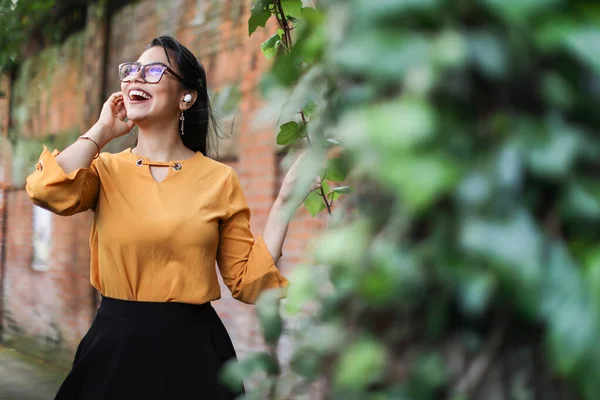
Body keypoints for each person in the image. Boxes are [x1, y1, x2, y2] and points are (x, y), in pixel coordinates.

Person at [25, 35, 321, 400]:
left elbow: (247, 282)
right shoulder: (105, 170)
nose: (135, 78)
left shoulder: (218, 179)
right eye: (131, 71)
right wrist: (102, 132)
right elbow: (46, 190)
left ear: (187, 96)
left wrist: (286, 201)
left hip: (195, 355)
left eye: (152, 70)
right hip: (113, 351)